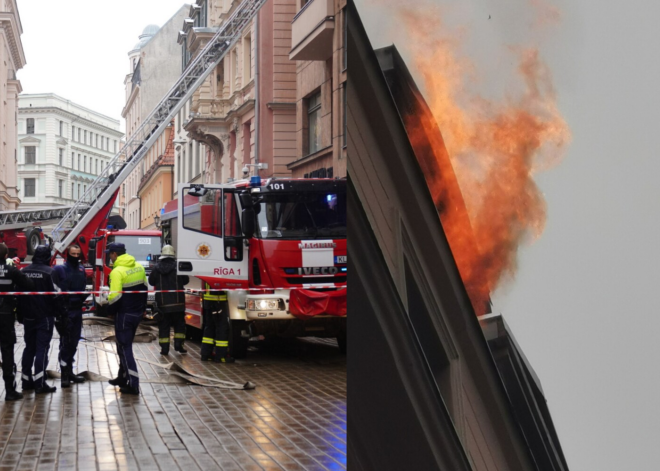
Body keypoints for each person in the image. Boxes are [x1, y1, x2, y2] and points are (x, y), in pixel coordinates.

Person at [19, 246, 66, 394]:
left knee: (29, 347)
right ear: (48, 257)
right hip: (44, 316)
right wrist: (61, 314)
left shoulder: (24, 271)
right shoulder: (49, 272)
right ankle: (40, 383)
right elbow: (56, 296)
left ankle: (26, 381)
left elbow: (18, 294)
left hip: (28, 316)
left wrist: (20, 314)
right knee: (42, 349)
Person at [106, 242, 147, 395]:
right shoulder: (139, 267)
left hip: (124, 314)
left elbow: (115, 296)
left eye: (109, 254)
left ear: (114, 254)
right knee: (122, 346)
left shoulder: (117, 271)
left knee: (125, 348)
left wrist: (109, 311)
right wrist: (142, 310)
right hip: (136, 314)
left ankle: (133, 383)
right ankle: (122, 377)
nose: (109, 257)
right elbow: (144, 290)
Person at [0, 243, 34, 400]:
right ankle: (10, 391)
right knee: (7, 352)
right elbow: (28, 285)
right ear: (6, 256)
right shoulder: (11, 270)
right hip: (6, 315)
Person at [52, 244, 89, 388]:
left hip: (77, 310)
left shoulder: (81, 269)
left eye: (77, 254)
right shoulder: (59, 269)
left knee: (74, 342)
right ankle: (64, 375)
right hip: (64, 311)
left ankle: (70, 371)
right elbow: (54, 291)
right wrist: (59, 311)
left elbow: (82, 287)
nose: (75, 256)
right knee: (65, 344)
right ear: (67, 254)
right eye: (73, 254)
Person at [148, 245, 189, 356]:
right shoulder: (178, 267)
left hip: (162, 305)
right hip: (178, 304)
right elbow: (186, 280)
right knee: (179, 326)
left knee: (164, 327)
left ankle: (164, 349)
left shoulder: (156, 268)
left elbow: (151, 282)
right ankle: (179, 346)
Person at [200, 282, 234, 363]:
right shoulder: (217, 270)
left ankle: (206, 354)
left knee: (209, 327)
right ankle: (221, 356)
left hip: (208, 301)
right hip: (218, 300)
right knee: (222, 328)